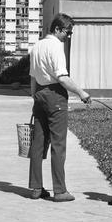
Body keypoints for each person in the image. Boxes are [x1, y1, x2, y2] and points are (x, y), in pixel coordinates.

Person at [28, 13, 91, 202]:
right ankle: (60, 190)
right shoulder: (56, 46)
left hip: (39, 94)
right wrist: (82, 93)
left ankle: (36, 188)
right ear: (57, 29)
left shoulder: (37, 46)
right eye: (68, 32)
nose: (68, 36)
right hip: (55, 95)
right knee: (58, 144)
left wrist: (35, 98)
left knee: (38, 144)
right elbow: (62, 77)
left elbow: (32, 76)